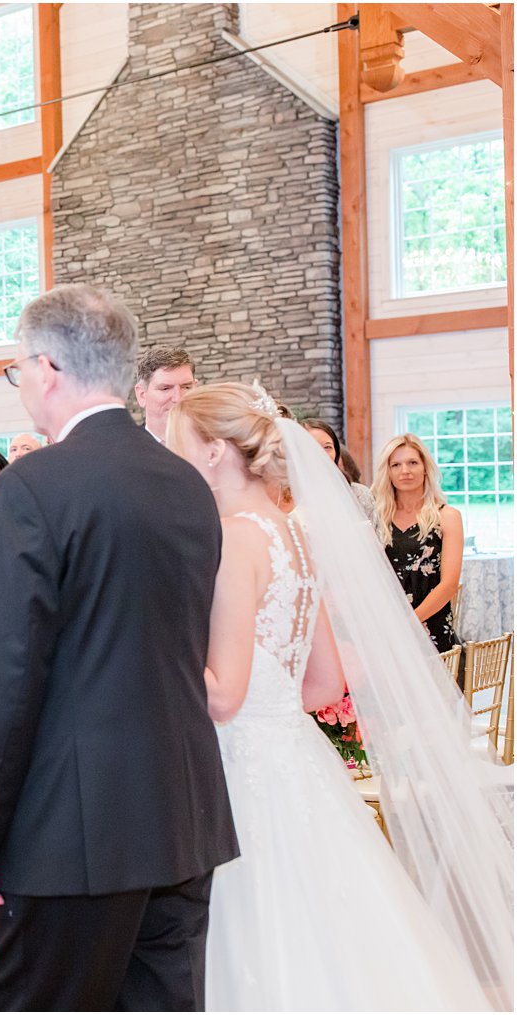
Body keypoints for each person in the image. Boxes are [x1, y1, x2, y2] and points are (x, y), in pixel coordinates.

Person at [168, 384, 502, 1010]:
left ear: (214, 453)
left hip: (243, 769)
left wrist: (154, 648)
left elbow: (223, 698)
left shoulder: (236, 537)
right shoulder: (293, 536)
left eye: (180, 444)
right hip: (296, 756)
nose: (173, 456)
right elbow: (323, 683)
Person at [0, 285, 236, 1010]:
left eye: (18, 373)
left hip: (71, 828)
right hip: (180, 811)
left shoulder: (35, 486)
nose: (23, 390)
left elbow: (5, 676)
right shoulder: (187, 484)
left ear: (46, 368)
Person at [373, 433, 463, 653]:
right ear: (388, 472)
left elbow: (449, 584)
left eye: (413, 462)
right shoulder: (376, 519)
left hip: (429, 625)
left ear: (425, 468)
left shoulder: (447, 517)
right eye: (396, 464)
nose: (405, 470)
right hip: (384, 626)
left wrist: (411, 623)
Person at [299, 418, 376, 521]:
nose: (321, 453)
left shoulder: (360, 494)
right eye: (312, 446)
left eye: (327, 447)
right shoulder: (287, 496)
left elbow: (376, 535)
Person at [134, 344, 197, 445]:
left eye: (186, 387)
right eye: (165, 388)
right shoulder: (121, 454)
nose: (178, 398)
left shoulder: (216, 445)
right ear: (142, 395)